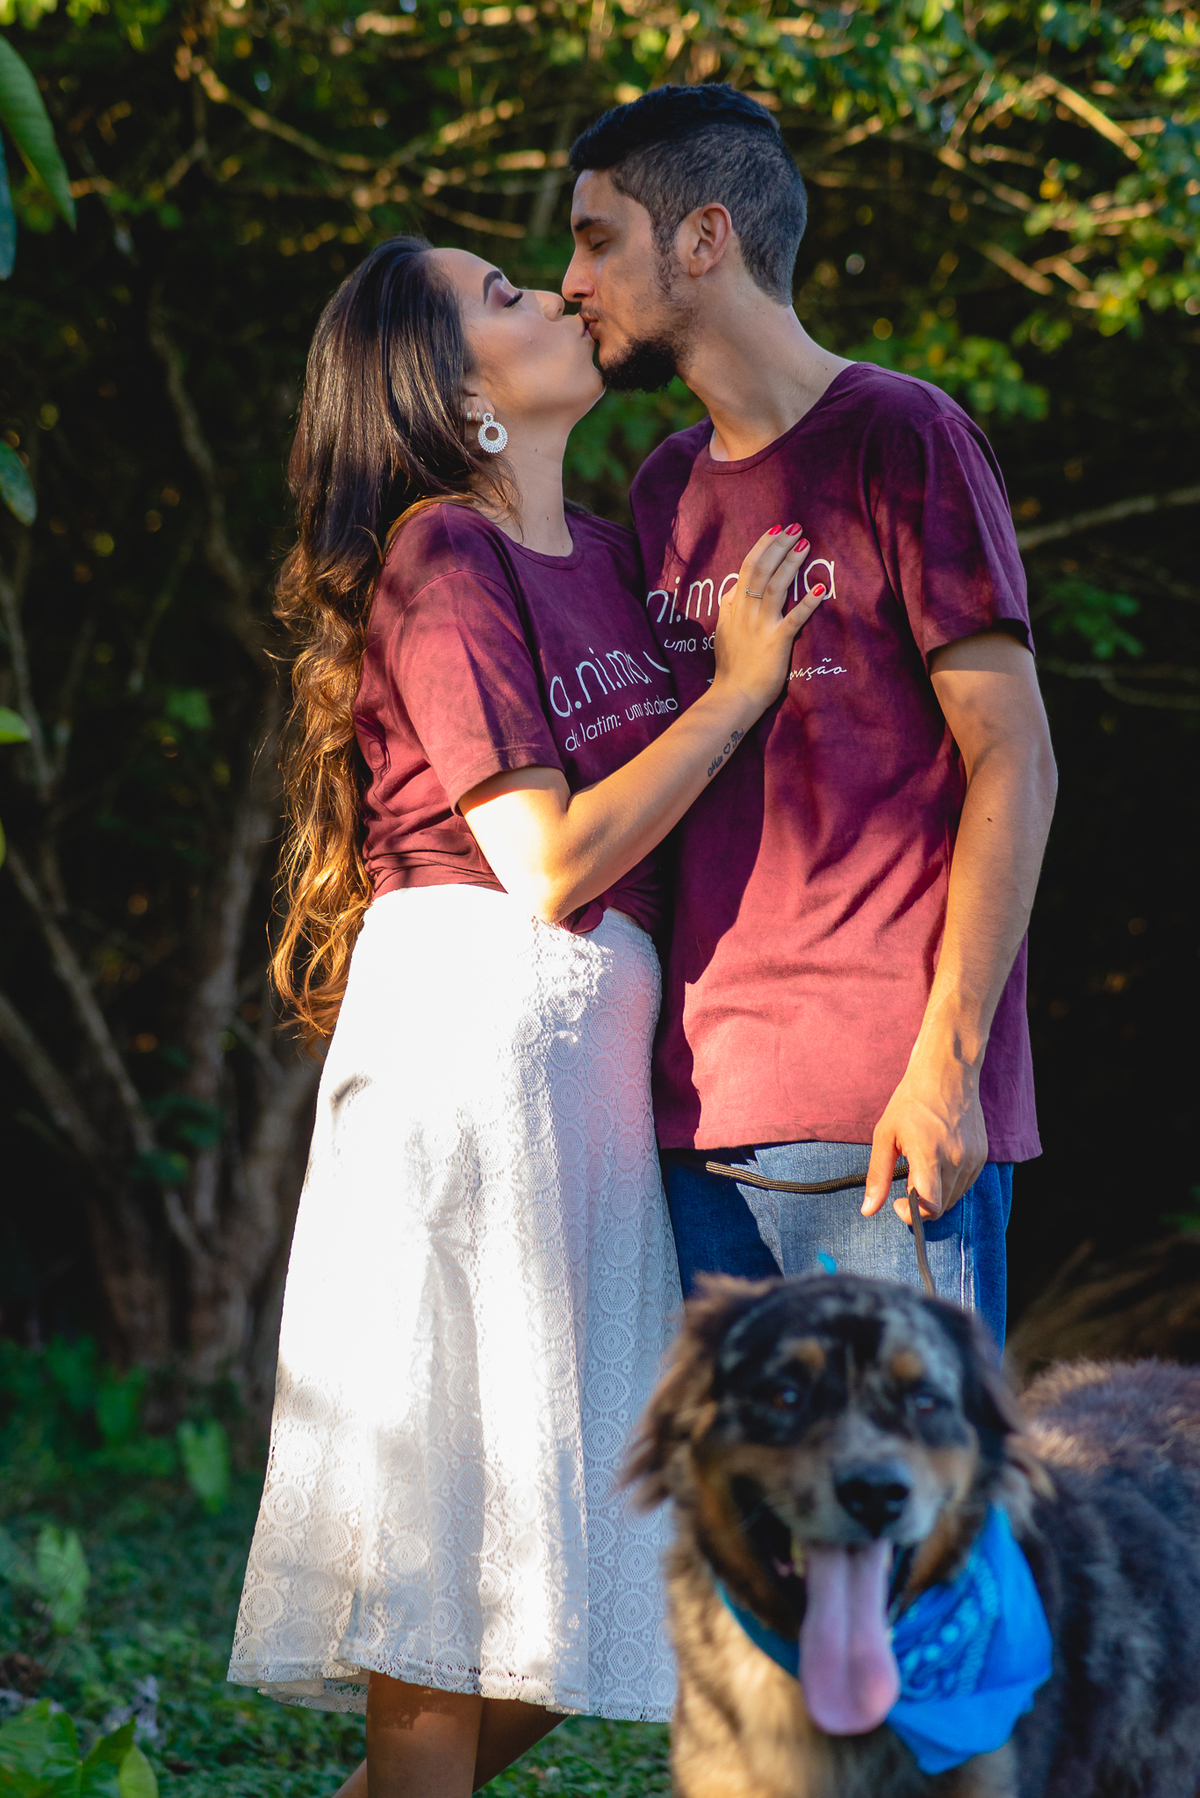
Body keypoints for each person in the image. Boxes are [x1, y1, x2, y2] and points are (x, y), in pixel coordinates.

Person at [225, 235, 824, 1798]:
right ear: (456, 395)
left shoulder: (616, 549)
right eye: (501, 296)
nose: (554, 294)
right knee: (450, 1547)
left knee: (600, 1558)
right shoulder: (445, 555)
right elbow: (546, 856)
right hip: (475, 1039)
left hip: (587, 1078)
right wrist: (735, 692)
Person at [562, 85, 1058, 1350]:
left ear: (704, 238)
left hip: (884, 1123)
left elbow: (1016, 758)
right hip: (693, 1132)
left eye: (597, 238)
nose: (571, 280)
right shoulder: (665, 485)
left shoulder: (905, 437)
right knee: (740, 1547)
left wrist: (947, 1068)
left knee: (915, 1540)